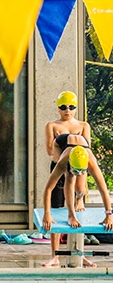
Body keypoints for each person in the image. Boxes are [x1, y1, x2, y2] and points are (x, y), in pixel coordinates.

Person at [42, 91, 93, 267]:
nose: (68, 110)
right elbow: (50, 151)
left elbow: (87, 154)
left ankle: (80, 254)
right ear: (58, 108)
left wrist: (82, 190)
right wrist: (66, 156)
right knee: (55, 210)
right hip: (59, 168)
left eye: (72, 107)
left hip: (78, 170)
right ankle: (54, 255)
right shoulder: (52, 125)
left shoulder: (83, 125)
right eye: (63, 107)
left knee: (78, 212)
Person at [42, 144, 113, 267]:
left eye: (82, 172)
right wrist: (47, 214)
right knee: (66, 184)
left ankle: (81, 255)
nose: (79, 174)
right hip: (62, 147)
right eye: (76, 171)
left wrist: (108, 214)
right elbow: (48, 189)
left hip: (82, 147)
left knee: (80, 191)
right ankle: (54, 257)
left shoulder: (91, 162)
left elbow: (103, 189)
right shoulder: (63, 161)